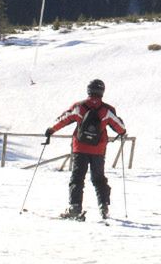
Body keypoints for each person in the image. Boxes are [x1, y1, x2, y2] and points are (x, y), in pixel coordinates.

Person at [44, 78, 127, 220]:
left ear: (88, 90)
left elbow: (64, 119)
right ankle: (104, 207)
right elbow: (121, 128)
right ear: (102, 92)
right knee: (99, 178)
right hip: (98, 150)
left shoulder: (79, 106)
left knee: (77, 178)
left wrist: (51, 130)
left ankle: (75, 208)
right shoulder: (107, 110)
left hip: (80, 148)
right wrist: (123, 132)